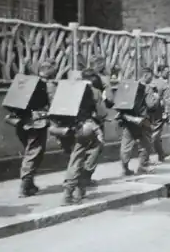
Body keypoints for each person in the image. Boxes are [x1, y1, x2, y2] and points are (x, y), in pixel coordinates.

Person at [62, 69, 106, 205]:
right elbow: (102, 113)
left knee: (74, 159)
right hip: (87, 128)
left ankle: (69, 193)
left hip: (68, 128)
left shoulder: (70, 89)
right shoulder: (94, 91)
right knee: (90, 157)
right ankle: (77, 192)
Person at [15, 58, 57, 197]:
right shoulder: (47, 85)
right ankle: (25, 185)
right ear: (50, 70)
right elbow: (53, 103)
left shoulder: (28, 82)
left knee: (30, 151)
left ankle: (29, 183)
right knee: (34, 152)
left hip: (22, 122)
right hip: (37, 122)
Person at [118, 67, 160, 176]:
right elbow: (150, 105)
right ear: (146, 75)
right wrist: (156, 98)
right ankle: (142, 167)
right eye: (151, 76)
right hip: (142, 120)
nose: (152, 79)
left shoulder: (131, 86)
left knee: (126, 145)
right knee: (145, 144)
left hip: (129, 119)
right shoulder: (147, 88)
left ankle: (125, 168)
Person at [81, 56, 115, 186]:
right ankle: (86, 176)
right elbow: (109, 101)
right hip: (95, 118)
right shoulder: (103, 79)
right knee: (97, 145)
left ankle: (78, 175)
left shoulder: (81, 76)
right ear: (101, 65)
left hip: (77, 120)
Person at [149, 64, 170, 162]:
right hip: (159, 112)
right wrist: (166, 113)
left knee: (156, 134)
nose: (168, 74)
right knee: (155, 134)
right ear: (160, 72)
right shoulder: (164, 84)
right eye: (166, 72)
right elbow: (167, 100)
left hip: (149, 111)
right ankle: (148, 155)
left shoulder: (151, 82)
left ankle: (161, 154)